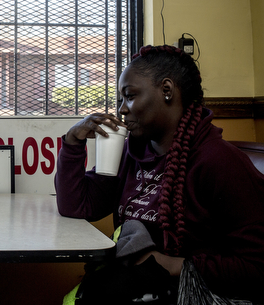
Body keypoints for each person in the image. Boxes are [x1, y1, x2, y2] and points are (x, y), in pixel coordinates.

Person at [55, 45, 264, 304]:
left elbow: (257, 267)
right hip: (136, 284)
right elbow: (77, 206)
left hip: (194, 292)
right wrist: (73, 144)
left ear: (167, 90)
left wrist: (167, 263)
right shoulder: (130, 153)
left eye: (130, 96)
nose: (121, 109)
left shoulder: (219, 162)